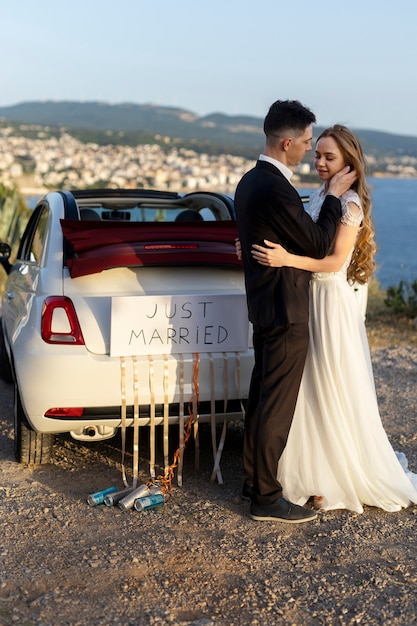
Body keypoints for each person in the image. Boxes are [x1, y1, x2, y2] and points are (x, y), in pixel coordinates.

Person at [251, 124, 417, 513]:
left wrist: (286, 259)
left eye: (329, 157)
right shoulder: (322, 196)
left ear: (349, 163)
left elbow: (333, 261)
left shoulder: (350, 203)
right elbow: (302, 235)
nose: (320, 162)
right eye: (318, 154)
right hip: (306, 300)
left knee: (332, 382)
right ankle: (310, 473)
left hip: (330, 304)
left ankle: (337, 472)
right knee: (306, 387)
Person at [234, 101, 356, 523]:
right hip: (286, 309)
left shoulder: (249, 181)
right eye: (307, 142)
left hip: (264, 306)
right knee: (276, 405)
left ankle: (253, 482)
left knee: (262, 397)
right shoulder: (276, 188)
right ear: (287, 142)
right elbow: (321, 244)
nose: (308, 150)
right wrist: (335, 198)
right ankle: (266, 497)